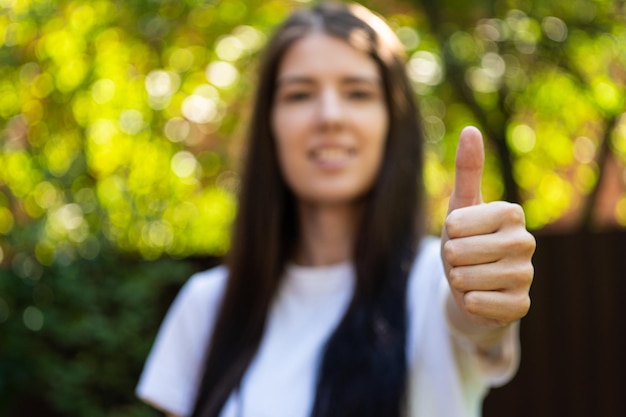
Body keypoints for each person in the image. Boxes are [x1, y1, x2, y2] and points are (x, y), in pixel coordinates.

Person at [136, 2, 535, 417]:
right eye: (300, 94)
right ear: (270, 124)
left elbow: (473, 323)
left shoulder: (438, 278)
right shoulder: (206, 306)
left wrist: (483, 293)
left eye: (358, 93)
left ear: (393, 121)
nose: (329, 116)